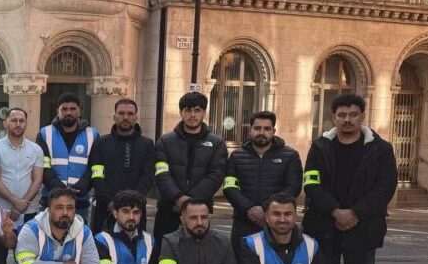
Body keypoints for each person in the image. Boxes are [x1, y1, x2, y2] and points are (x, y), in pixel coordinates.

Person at [303, 93, 397, 264]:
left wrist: (355, 213)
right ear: (333, 117)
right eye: (342, 115)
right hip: (325, 227)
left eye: (353, 115)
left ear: (362, 116)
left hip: (363, 228)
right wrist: (335, 211)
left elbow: (385, 187)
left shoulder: (381, 149)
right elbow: (311, 184)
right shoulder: (320, 147)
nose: (347, 120)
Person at [153, 91, 227, 239]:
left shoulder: (216, 143)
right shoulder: (165, 141)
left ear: (204, 112)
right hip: (169, 208)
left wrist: (189, 202)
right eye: (188, 110)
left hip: (200, 213)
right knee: (164, 251)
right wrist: (178, 198)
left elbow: (216, 176)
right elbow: (161, 173)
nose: (192, 115)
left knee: (198, 251)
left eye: (197, 110)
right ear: (181, 112)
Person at [223, 111, 302, 250]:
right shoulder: (237, 156)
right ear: (250, 130)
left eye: (267, 128)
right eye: (257, 128)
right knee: (241, 261)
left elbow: (293, 187)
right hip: (243, 222)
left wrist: (266, 208)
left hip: (276, 224)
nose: (261, 132)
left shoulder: (290, 156)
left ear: (273, 131)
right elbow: (230, 187)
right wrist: (249, 209)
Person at [89, 98, 155, 234]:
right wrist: (111, 203)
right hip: (106, 209)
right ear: (114, 117)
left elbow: (147, 177)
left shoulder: (147, 144)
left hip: (135, 211)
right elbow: (96, 175)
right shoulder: (101, 143)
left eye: (130, 114)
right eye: (121, 113)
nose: (126, 117)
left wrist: (132, 204)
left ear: (136, 117)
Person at [37, 92, 100, 219]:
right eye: (64, 109)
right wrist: (58, 187)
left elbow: (96, 165)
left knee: (79, 232)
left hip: (80, 200)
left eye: (72, 109)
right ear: (58, 111)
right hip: (51, 199)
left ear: (79, 111)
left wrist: (85, 184)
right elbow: (43, 165)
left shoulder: (92, 134)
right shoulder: (44, 133)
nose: (68, 112)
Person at [0, 107, 44, 230]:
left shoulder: (36, 149)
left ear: (26, 123)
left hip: (28, 210)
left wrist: (20, 206)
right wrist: (16, 202)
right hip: (1, 208)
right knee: (1, 242)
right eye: (14, 120)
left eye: (22, 121)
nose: (18, 124)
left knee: (26, 242)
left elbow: (37, 181)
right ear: (5, 123)